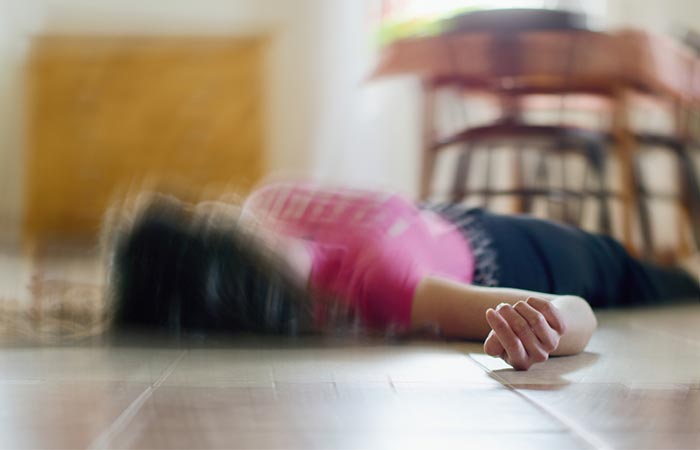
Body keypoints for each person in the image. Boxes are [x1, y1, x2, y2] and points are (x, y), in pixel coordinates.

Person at [103, 180, 700, 371]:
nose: (219, 212)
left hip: (463, 223)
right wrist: (543, 326)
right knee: (672, 286)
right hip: (535, 257)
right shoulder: (383, 285)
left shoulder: (269, 202)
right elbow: (577, 311)